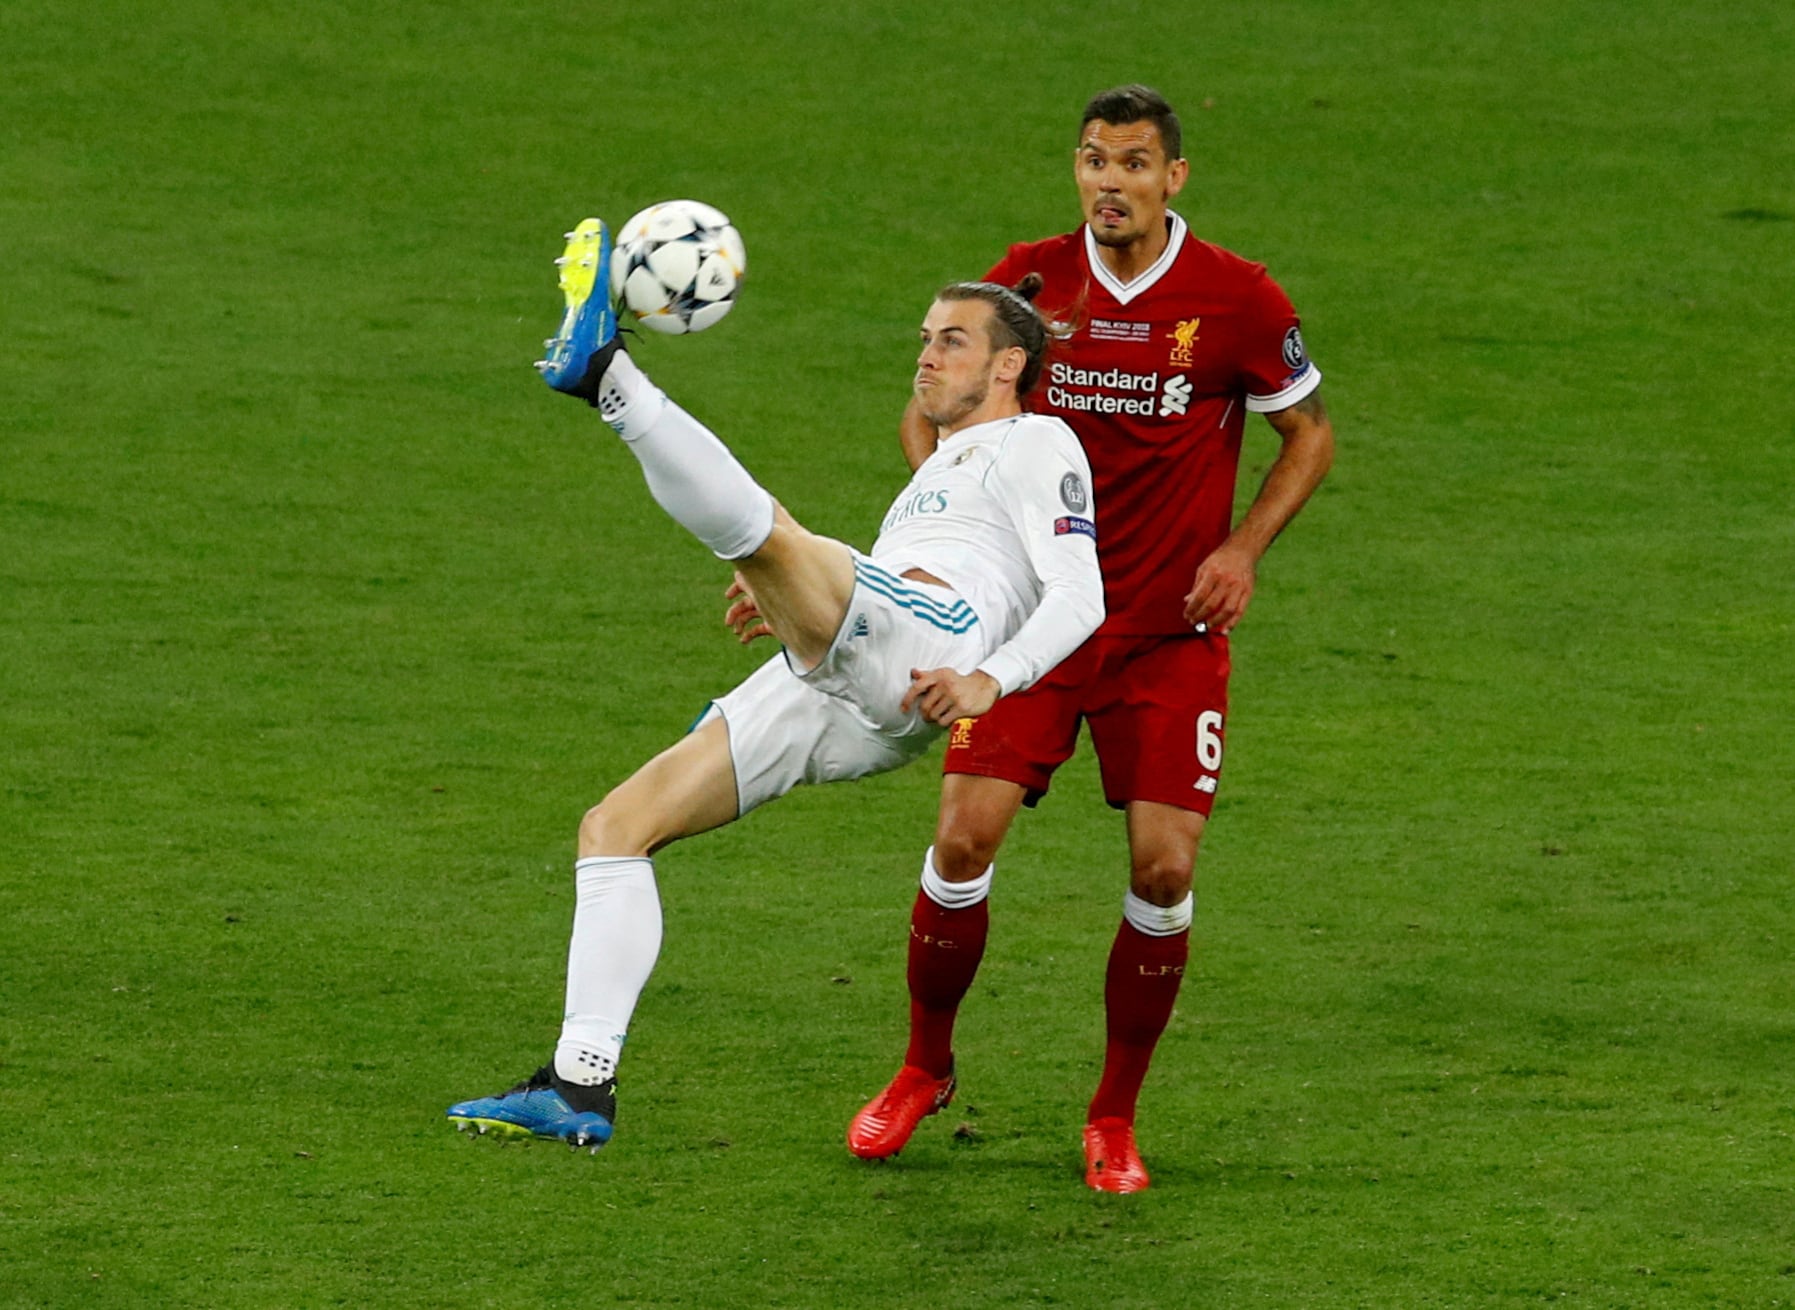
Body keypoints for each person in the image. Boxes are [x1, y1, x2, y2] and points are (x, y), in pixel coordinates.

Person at [445, 218, 1104, 1149]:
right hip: (851, 684)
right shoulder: (944, 466)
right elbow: (875, 576)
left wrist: (991, 678)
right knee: (614, 829)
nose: (925, 356)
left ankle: (607, 379)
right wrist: (803, 611)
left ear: (1008, 367)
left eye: (950, 341)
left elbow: (1082, 593)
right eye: (923, 338)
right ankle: (579, 1083)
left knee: (770, 535)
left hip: (931, 646)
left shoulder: (1041, 445)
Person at [847, 86, 1337, 1193]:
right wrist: (956, 519)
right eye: (1089, 160)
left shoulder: (1237, 297)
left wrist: (1244, 547)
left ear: (1173, 178)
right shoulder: (1025, 280)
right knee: (961, 840)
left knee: (1163, 871)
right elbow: (931, 408)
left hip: (1166, 633)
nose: (1107, 182)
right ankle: (923, 1066)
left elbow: (1306, 433)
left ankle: (1112, 1114)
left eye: (1130, 162)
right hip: (1023, 626)